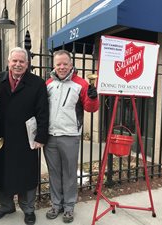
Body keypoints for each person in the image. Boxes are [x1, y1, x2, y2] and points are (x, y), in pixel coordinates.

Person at [0, 47, 49, 225]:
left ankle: (28, 209)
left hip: (26, 137)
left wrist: (41, 136)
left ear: (27, 64)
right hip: (2, 136)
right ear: (8, 62)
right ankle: (6, 206)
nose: (17, 64)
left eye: (22, 61)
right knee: (2, 172)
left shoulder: (37, 83)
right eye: (14, 61)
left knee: (27, 174)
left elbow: (43, 112)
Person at [44, 49, 99, 223]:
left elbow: (91, 108)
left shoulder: (81, 83)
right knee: (54, 172)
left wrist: (93, 97)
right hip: (50, 136)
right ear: (54, 65)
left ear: (71, 64)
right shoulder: (48, 84)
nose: (61, 67)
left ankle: (69, 207)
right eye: (58, 64)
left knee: (69, 173)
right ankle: (56, 204)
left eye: (65, 64)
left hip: (70, 135)